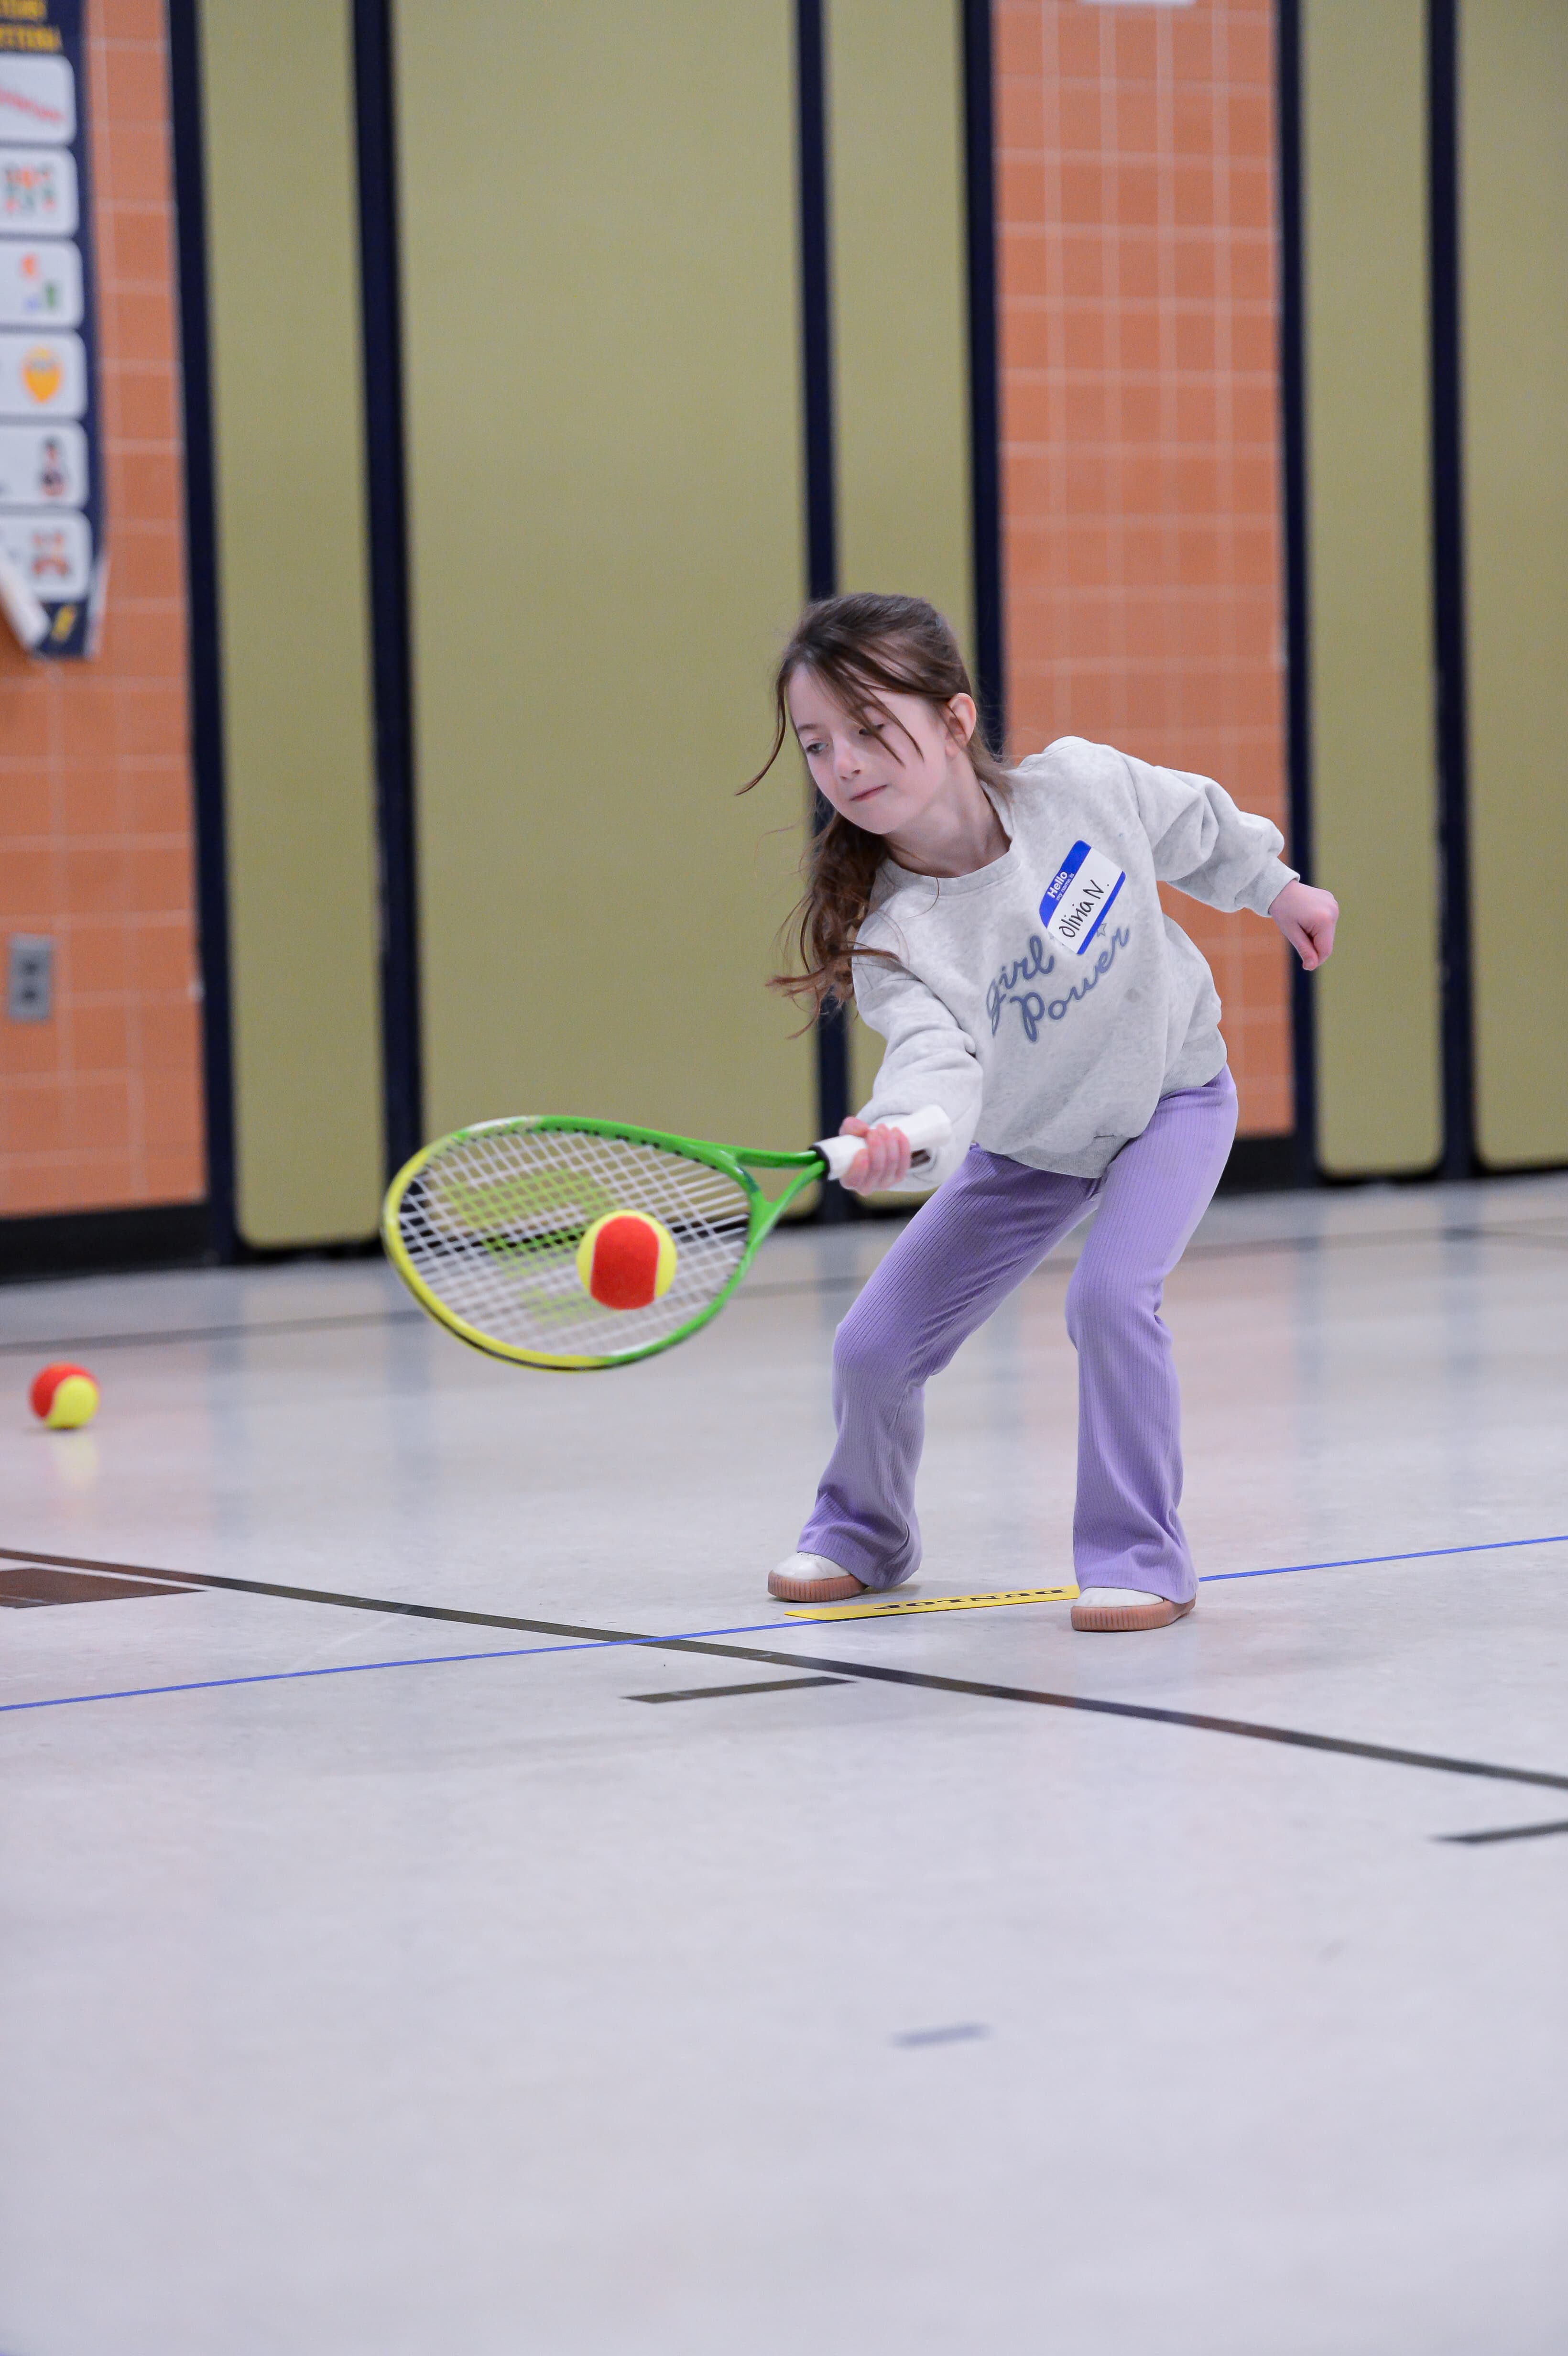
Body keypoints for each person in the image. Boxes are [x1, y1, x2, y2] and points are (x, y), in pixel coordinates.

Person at [747, 593, 1338, 1632]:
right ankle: (861, 1532)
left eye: (870, 729)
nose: (843, 763)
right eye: (816, 744)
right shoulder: (893, 934)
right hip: (1029, 1149)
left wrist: (1275, 885)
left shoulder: (1081, 789)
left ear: (955, 720)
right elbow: (936, 1069)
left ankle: (1139, 1555)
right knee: (870, 1348)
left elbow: (1191, 821)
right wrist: (906, 1135)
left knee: (1109, 1298)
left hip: (1170, 1097)